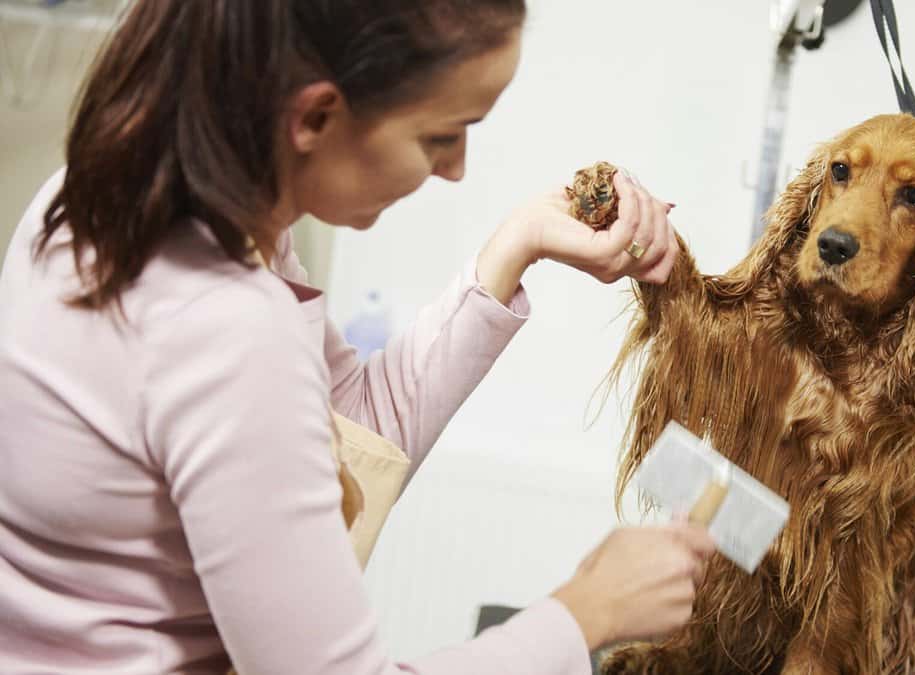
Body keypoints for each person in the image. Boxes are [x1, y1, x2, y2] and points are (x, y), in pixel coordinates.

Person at [0, 1, 715, 673]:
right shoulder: (223, 325)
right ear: (315, 116)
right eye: (439, 136)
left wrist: (517, 242)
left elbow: (343, 434)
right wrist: (586, 609)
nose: (455, 166)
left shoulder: (96, 200)